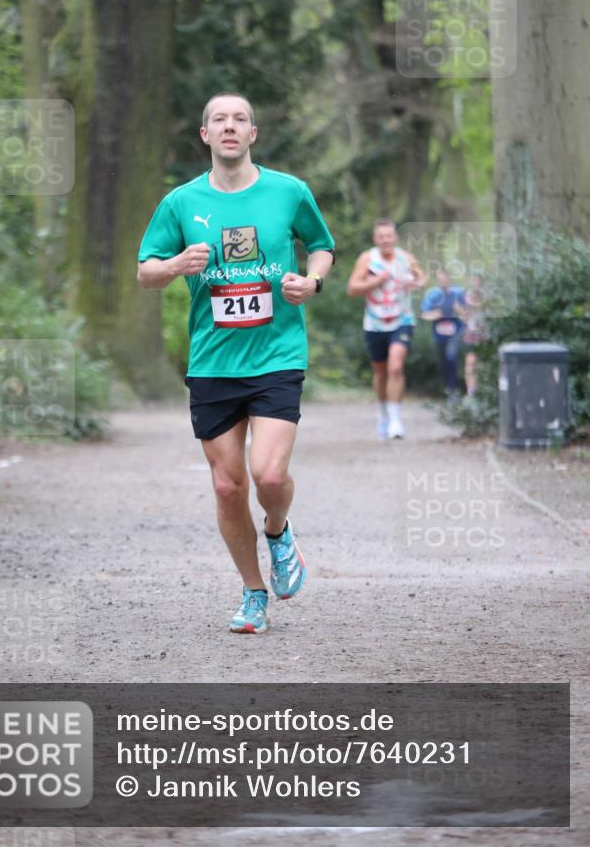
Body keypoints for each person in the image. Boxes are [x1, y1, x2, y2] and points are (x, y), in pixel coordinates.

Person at [136, 92, 335, 635]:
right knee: (227, 487)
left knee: (268, 473)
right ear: (205, 135)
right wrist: (176, 263)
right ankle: (252, 593)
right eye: (219, 120)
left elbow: (321, 246)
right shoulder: (180, 203)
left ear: (253, 133)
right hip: (213, 362)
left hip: (276, 355)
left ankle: (277, 530)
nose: (229, 126)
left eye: (239, 119)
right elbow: (145, 272)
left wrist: (310, 282)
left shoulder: (288, 192)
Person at [346, 220, 426, 440]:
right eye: (381, 236)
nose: (386, 240)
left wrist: (415, 283)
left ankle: (396, 420)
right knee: (381, 371)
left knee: (396, 367)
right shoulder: (367, 259)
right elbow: (352, 289)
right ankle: (383, 414)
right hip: (374, 323)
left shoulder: (405, 258)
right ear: (375, 239)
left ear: (395, 237)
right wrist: (376, 282)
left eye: (389, 236)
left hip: (402, 320)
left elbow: (421, 279)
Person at [420, 268, 466, 398]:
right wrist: (435, 314)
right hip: (439, 334)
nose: (442, 281)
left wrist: (457, 309)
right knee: (443, 361)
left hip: (456, 332)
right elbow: (425, 314)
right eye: (440, 279)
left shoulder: (459, 292)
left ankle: (455, 390)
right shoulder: (432, 294)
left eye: (444, 279)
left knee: (451, 356)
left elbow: (466, 314)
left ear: (449, 278)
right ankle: (448, 388)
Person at [457, 273, 489, 396]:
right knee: (470, 361)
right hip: (471, 333)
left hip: (485, 333)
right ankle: (471, 392)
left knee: (484, 362)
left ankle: (483, 391)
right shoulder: (465, 295)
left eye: (477, 279)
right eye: (473, 280)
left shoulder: (485, 295)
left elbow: (482, 304)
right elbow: (461, 310)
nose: (475, 282)